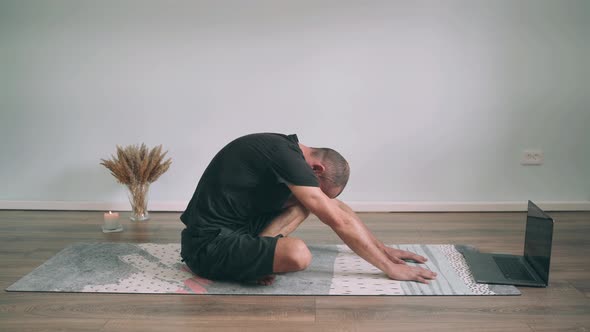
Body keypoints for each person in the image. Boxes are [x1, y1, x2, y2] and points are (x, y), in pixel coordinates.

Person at [180, 133, 437, 285]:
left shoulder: (285, 150)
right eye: (321, 191)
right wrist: (390, 269)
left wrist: (382, 249)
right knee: (298, 254)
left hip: (238, 229)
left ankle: (253, 260)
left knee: (304, 205)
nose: (321, 199)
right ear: (317, 170)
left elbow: (340, 212)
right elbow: (337, 220)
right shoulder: (283, 155)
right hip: (207, 246)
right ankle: (247, 265)